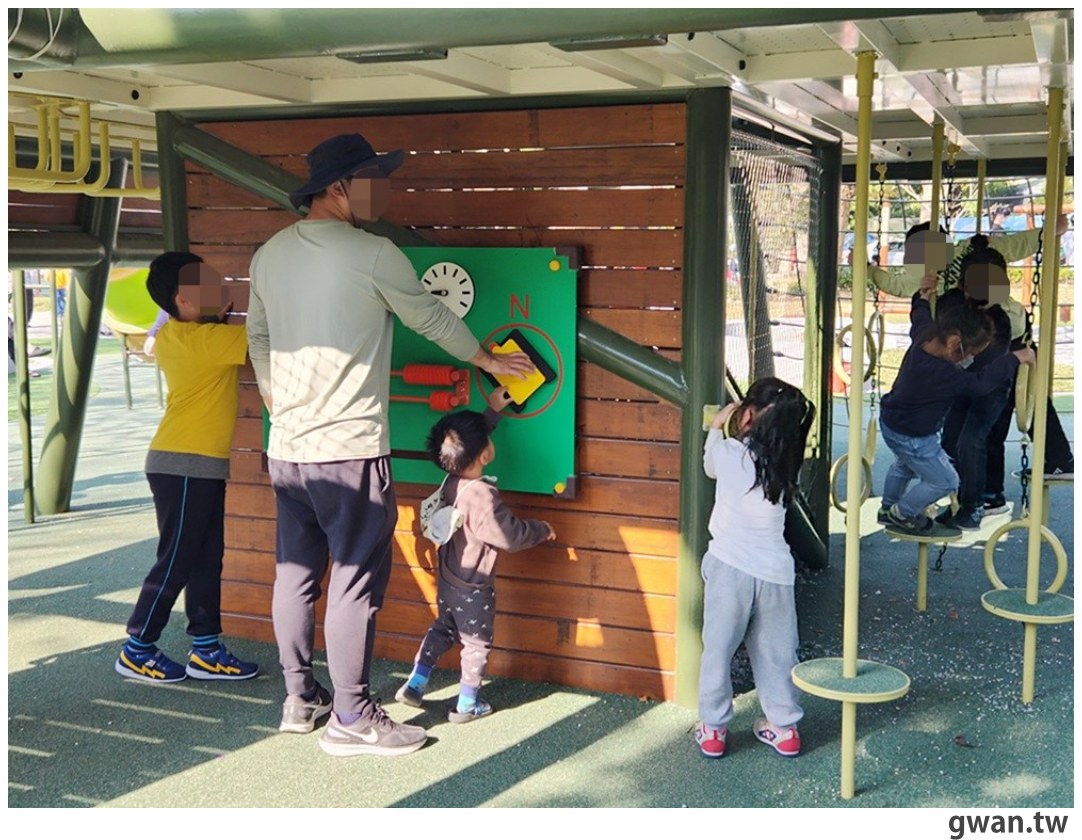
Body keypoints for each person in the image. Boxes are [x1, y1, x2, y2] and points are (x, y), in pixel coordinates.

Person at [247, 131, 536, 758]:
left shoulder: (270, 254)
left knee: (296, 573)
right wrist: (488, 359)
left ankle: (300, 698)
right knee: (354, 582)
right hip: (348, 451)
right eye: (375, 179)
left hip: (287, 451)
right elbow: (430, 317)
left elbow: (258, 339)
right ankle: (352, 718)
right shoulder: (374, 253)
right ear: (339, 188)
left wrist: (277, 404)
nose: (385, 191)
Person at [115, 252, 259, 684]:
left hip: (196, 465)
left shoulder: (179, 335)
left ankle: (207, 649)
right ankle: (137, 648)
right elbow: (263, 336)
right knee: (177, 559)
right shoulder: (209, 341)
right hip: (183, 465)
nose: (223, 287)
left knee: (206, 559)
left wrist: (215, 314)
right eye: (209, 284)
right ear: (184, 300)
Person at [395, 387, 555, 722]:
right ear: (483, 455)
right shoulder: (481, 496)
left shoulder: (452, 478)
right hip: (473, 587)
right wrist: (542, 529)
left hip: (449, 578)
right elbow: (510, 536)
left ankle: (416, 682)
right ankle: (467, 704)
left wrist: (492, 411)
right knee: (476, 642)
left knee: (443, 628)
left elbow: (466, 444)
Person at [694, 377, 816, 760]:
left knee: (718, 650)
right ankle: (785, 728)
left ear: (746, 416)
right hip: (775, 572)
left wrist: (716, 427)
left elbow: (709, 465)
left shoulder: (729, 452)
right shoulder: (786, 463)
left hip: (729, 566)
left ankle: (713, 730)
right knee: (777, 653)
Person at [877, 281, 1035, 537]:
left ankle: (886, 508)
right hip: (915, 436)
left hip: (892, 422)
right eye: (969, 354)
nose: (969, 360)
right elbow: (979, 384)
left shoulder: (924, 334)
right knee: (946, 481)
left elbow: (920, 315)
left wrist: (921, 296)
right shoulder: (940, 373)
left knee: (904, 464)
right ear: (953, 344)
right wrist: (1015, 358)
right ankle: (902, 513)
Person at [935, 238, 1015, 529]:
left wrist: (963, 359)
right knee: (949, 441)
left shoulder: (1000, 319)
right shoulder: (954, 305)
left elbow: (989, 362)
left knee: (971, 440)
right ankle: (958, 500)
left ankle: (974, 505)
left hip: (990, 388)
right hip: (964, 385)